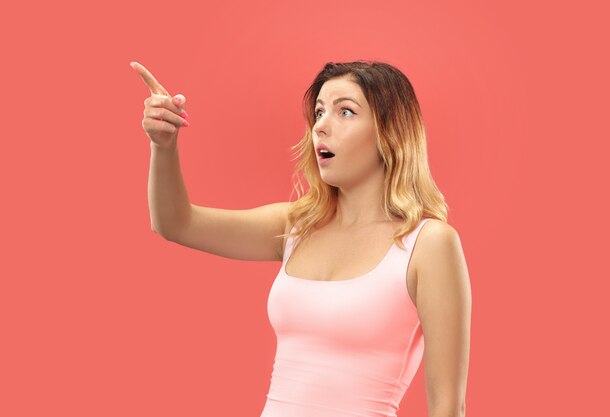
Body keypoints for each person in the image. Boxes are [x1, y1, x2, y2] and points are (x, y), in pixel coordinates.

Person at [130, 60, 471, 417]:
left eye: (346, 112)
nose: (321, 125)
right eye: (319, 112)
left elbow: (448, 407)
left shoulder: (428, 244)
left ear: (391, 131)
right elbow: (174, 223)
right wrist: (163, 146)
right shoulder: (297, 224)